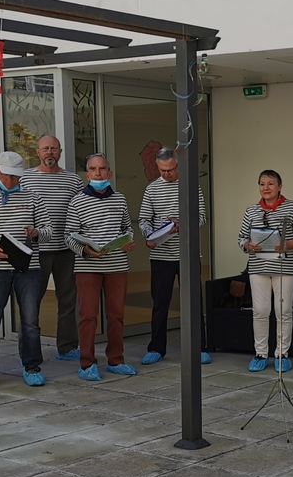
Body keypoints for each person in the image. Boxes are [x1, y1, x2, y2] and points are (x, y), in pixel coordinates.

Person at [0, 152, 51, 390]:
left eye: (15, 177)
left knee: (30, 321)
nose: (11, 180)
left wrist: (36, 233)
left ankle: (32, 367)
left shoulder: (34, 198)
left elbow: (48, 231)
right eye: (7, 175)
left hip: (28, 268)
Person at [65, 154, 138, 381]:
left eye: (102, 168)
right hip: (87, 267)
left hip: (117, 265)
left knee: (116, 315)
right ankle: (87, 364)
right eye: (93, 169)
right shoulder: (77, 201)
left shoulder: (120, 199)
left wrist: (128, 241)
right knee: (88, 315)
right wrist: (86, 250)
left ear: (110, 173)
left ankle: (116, 360)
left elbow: (127, 228)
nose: (98, 173)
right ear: (87, 175)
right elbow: (69, 236)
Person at [138, 147, 210, 366]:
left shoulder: (191, 185)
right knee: (160, 304)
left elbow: (202, 217)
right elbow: (143, 219)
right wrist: (149, 235)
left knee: (193, 303)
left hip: (187, 254)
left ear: (178, 165)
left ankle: (199, 348)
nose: (166, 174)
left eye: (170, 170)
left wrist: (182, 224)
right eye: (162, 170)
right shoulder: (152, 189)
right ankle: (156, 348)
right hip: (161, 255)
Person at [238, 170, 293, 372]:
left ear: (280, 186)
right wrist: (249, 245)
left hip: (284, 267)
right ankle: (261, 353)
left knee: (283, 311)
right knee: (260, 311)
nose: (266, 188)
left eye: (271, 183)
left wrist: (288, 244)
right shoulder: (251, 210)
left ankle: (282, 354)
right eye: (262, 184)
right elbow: (241, 239)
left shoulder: (292, 207)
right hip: (258, 267)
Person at [21, 135, 85, 361]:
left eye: (54, 149)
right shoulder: (25, 178)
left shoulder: (73, 180)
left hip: (67, 249)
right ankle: (29, 351)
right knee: (31, 302)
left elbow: (81, 211)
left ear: (60, 152)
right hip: (36, 251)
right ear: (37, 152)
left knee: (68, 300)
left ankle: (67, 348)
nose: (50, 152)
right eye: (45, 148)